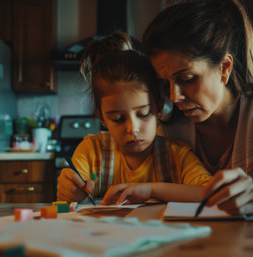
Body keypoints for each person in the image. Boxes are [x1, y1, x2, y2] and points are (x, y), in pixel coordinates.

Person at [142, 0, 253, 215]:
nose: (174, 96)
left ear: (224, 67)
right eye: (165, 83)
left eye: (188, 78)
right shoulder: (165, 123)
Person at [56, 32, 212, 205]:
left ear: (159, 107)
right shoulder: (92, 152)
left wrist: (152, 190)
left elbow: (209, 194)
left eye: (143, 114)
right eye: (117, 118)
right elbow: (68, 198)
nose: (132, 129)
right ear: (101, 117)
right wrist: (69, 191)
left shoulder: (177, 156)